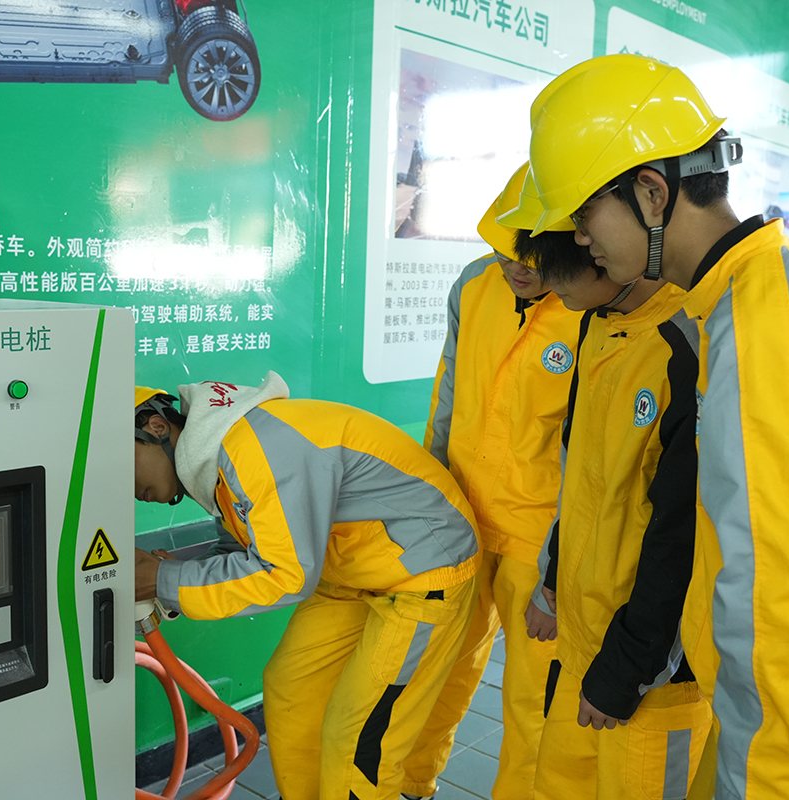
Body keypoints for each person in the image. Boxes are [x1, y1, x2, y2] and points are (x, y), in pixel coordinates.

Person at [512, 52, 789, 799]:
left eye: (584, 216)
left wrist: (761, 785)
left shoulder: (771, 324)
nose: (580, 241)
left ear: (652, 193)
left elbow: (783, 601)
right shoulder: (747, 302)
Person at [132, 374, 482, 800]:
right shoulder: (218, 453)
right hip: (352, 571)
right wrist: (176, 573)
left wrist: (163, 578)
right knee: (291, 691)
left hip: (423, 571)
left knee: (358, 737)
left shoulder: (253, 448)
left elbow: (285, 575)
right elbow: (244, 544)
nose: (127, 489)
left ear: (155, 426)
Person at [508, 212, 712, 799]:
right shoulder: (596, 320)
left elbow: (683, 536)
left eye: (558, 274)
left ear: (604, 255)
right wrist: (553, 581)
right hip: (584, 640)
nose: (551, 288)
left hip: (652, 673)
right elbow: (578, 470)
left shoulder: (687, 348)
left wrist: (626, 671)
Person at [400, 162, 582, 800]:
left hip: (539, 534)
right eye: (505, 250)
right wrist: (430, 500)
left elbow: (590, 450)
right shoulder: (474, 284)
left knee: (533, 702)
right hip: (463, 519)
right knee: (439, 669)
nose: (514, 267)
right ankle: (410, 785)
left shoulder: (588, 306)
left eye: (530, 256)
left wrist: (560, 568)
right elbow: (446, 398)